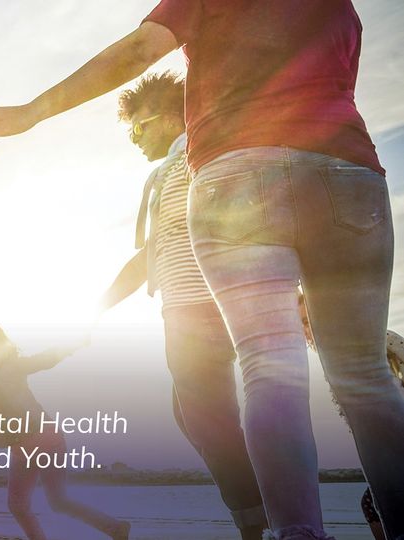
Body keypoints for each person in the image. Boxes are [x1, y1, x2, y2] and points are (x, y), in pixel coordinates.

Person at [0, 2, 403, 538]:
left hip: (236, 172)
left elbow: (137, 50)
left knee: (267, 372)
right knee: (365, 378)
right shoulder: (344, 7)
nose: (134, 141)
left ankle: (286, 529)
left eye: (138, 128)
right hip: (348, 171)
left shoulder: (178, 160)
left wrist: (29, 113)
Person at [96, 72, 265, 539]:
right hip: (189, 311)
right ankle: (266, 509)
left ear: (170, 117)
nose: (134, 140)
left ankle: (261, 524)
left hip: (201, 309)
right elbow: (151, 253)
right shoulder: (172, 170)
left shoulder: (194, 158)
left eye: (138, 128)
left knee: (209, 422)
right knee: (191, 415)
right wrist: (96, 308)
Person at [0, 322, 129, 540]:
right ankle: (115, 528)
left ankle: (116, 529)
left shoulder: (10, 367)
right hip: (20, 450)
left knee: (57, 501)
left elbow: (46, 359)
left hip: (46, 439)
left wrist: (74, 343)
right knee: (18, 505)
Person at [298, 294, 404, 540]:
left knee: (375, 503)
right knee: (372, 504)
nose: (304, 330)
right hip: (383, 453)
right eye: (299, 323)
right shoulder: (334, 360)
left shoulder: (368, 340)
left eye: (307, 319)